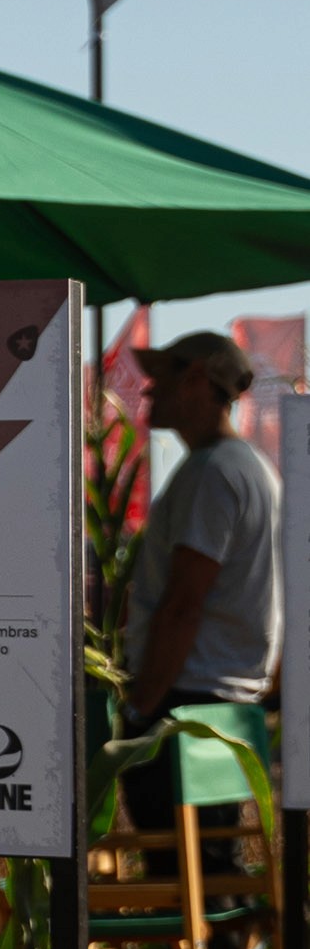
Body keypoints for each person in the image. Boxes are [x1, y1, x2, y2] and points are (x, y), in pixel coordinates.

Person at [121, 328, 280, 838]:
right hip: (223, 706)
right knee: (209, 863)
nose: (148, 390)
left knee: (179, 868)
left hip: (186, 705)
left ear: (195, 378)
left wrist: (141, 708)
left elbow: (184, 604)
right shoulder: (249, 467)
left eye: (160, 376)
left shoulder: (213, 472)